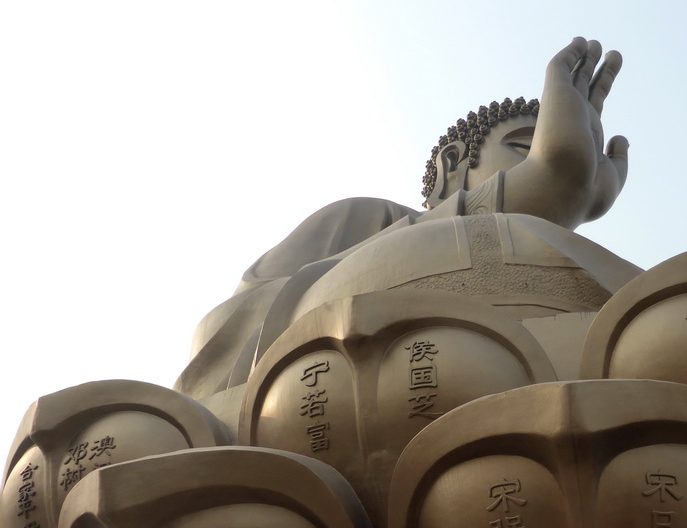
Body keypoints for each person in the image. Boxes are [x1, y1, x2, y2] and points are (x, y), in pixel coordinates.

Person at [176, 38, 630, 400]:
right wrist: (523, 193)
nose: (537, 158)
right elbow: (222, 338)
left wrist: (557, 201)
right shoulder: (371, 217)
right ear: (453, 163)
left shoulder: (553, 249)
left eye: (547, 145)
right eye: (522, 147)